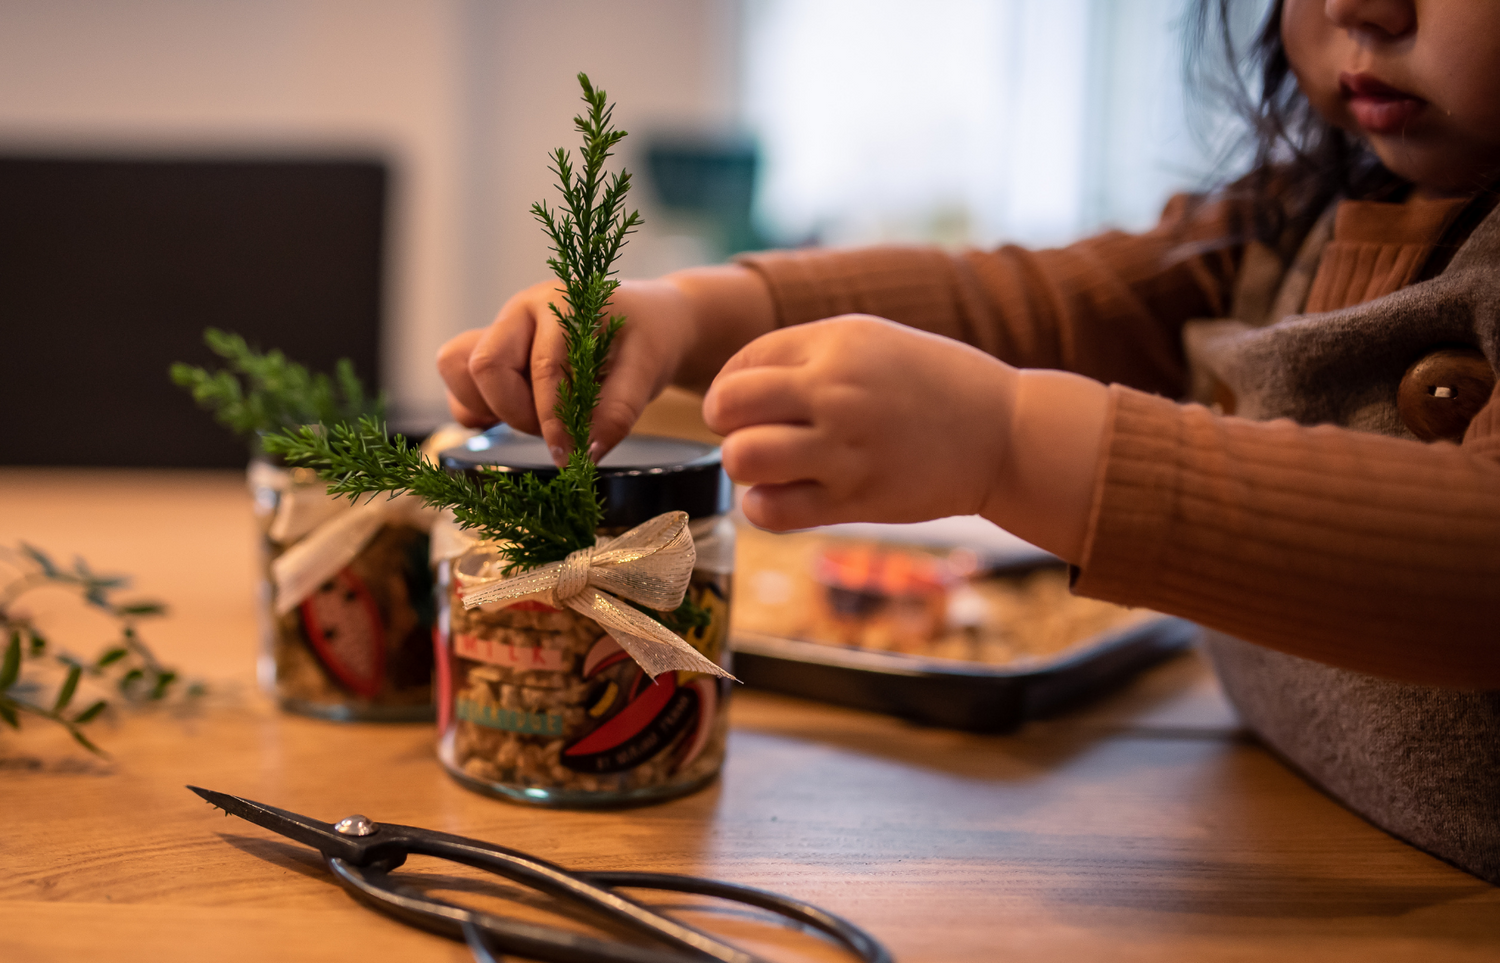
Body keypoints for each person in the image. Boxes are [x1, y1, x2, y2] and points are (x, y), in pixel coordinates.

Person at [438, 0, 1500, 882]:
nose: (1361, 8)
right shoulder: (1289, 215)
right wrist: (688, 314)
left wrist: (1009, 444)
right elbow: (1025, 301)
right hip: (1251, 832)